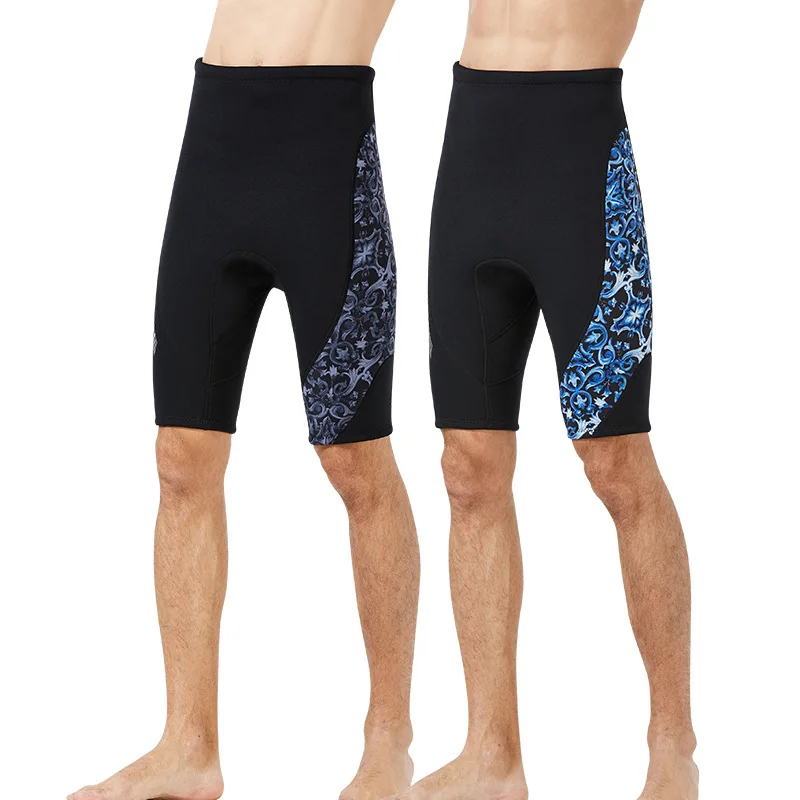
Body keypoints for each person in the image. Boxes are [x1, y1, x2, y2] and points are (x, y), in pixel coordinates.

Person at [68, 2, 419, 800]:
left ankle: (389, 739)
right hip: (216, 136)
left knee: (354, 458)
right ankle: (188, 748)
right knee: (181, 456)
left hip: (325, 154)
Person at [399, 1, 698, 799]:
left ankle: (672, 743)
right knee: (467, 467)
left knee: (616, 461)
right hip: (472, 146)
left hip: (579, 157)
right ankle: (491, 755)